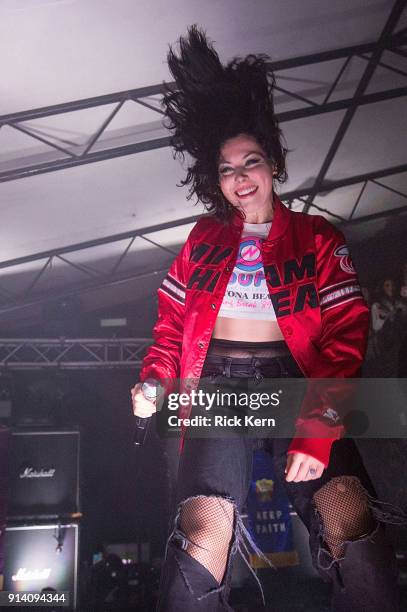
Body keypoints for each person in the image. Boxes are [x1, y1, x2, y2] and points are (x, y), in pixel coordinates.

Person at [131, 27, 401, 611]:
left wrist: (321, 427)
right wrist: (155, 377)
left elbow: (347, 334)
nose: (239, 175)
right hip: (216, 390)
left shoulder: (318, 237)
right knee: (202, 537)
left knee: (351, 525)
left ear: (273, 164)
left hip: (298, 382)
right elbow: (171, 321)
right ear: (217, 179)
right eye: (227, 168)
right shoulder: (202, 238)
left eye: (251, 160)